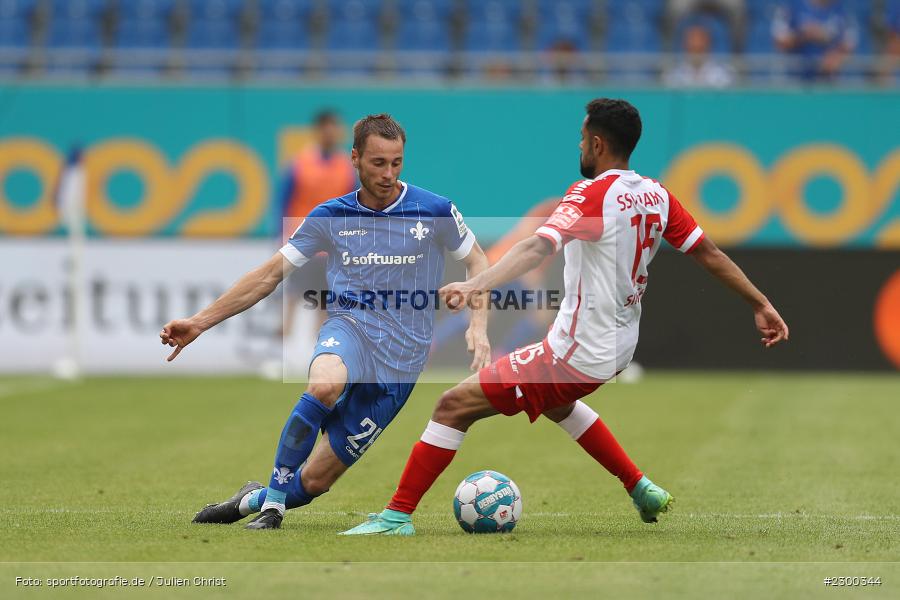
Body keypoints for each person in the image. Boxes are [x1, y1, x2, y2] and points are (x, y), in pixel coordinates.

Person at [341, 98, 789, 536]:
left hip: (575, 353)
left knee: (452, 405)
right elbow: (708, 253)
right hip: (618, 346)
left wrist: (477, 284)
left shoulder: (591, 194)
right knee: (556, 403)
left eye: (581, 138)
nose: (578, 146)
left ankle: (396, 516)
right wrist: (760, 303)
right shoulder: (657, 195)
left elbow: (538, 246)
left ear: (597, 144)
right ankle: (640, 487)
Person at [160, 114, 491, 530]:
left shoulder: (435, 209)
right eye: (378, 163)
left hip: (401, 364)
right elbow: (268, 276)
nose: (388, 174)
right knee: (324, 385)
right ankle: (273, 508)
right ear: (355, 158)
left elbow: (478, 261)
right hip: (350, 329)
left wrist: (478, 323)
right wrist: (200, 321)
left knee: (314, 481)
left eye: (396, 163)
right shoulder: (330, 217)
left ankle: (251, 499)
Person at [278, 110, 356, 341]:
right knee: (292, 296)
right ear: (318, 131)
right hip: (301, 240)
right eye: (326, 129)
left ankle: (319, 349)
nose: (331, 134)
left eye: (335, 129)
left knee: (324, 300)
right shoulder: (300, 164)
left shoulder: (346, 167)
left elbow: (353, 205)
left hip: (331, 244)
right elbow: (282, 200)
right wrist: (279, 233)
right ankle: (280, 349)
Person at [772, 0, 858, 82]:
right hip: (795, 79)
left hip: (828, 80)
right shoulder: (791, 6)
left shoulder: (842, 10)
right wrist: (804, 35)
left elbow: (849, 44)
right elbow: (780, 42)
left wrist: (836, 55)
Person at [663, 22, 735, 88]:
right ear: (684, 44)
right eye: (692, 42)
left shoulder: (724, 74)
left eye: (701, 42)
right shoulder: (672, 75)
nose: (696, 44)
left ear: (709, 44)